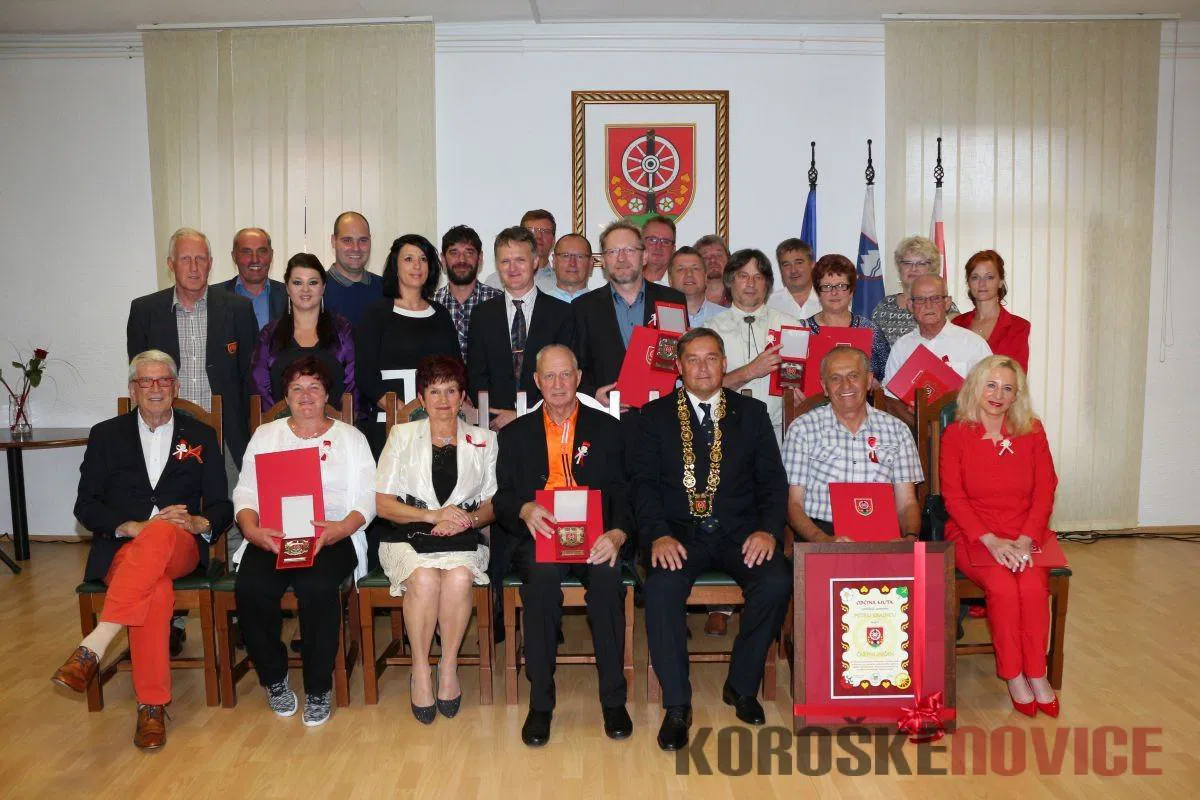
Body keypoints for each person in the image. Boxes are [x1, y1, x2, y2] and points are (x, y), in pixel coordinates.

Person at [52, 350, 231, 750]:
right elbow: (86, 506)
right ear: (133, 389)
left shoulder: (199, 435)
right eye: (146, 382)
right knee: (156, 590)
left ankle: (94, 645)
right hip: (123, 549)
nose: (155, 388)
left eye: (163, 381)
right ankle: (151, 707)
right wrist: (132, 526)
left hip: (180, 547)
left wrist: (198, 523)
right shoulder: (106, 435)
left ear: (175, 387)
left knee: (164, 532)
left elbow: (222, 506)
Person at [635, 328, 791, 751]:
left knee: (776, 582)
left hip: (740, 531)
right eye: (693, 359)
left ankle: (741, 686)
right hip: (678, 533)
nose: (702, 367)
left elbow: (774, 486)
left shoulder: (753, 414)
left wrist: (768, 530)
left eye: (711, 358)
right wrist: (658, 536)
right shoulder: (653, 417)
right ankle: (677, 705)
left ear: (724, 364)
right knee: (663, 587)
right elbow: (643, 488)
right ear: (679, 367)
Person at [493, 344, 634, 746]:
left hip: (596, 537)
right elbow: (500, 498)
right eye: (548, 376)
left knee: (608, 584)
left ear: (578, 377)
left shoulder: (608, 428)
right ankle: (541, 703)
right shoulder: (516, 434)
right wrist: (523, 509)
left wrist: (619, 534)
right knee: (538, 583)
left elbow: (626, 493)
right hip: (542, 535)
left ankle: (613, 699)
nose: (557, 384)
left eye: (565, 374)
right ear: (536, 381)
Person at [232, 357, 375, 728]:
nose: (306, 395)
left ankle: (317, 687)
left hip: (332, 536)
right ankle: (274, 678)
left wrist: (342, 528)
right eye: (297, 388)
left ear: (327, 393)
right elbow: (245, 492)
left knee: (317, 587)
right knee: (251, 586)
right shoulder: (266, 435)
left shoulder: (351, 438)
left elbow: (369, 498)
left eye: (314, 387)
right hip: (274, 536)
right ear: (286, 396)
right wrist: (251, 530)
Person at [375, 356, 498, 724]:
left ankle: (448, 668)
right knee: (425, 580)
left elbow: (493, 502)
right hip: (407, 534)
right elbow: (383, 504)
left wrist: (467, 520)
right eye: (434, 391)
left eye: (450, 390)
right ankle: (421, 670)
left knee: (459, 577)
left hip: (463, 537)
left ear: (463, 397)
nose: (442, 399)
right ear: (422, 397)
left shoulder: (485, 439)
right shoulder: (401, 435)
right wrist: (433, 516)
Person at [940, 355, 1059, 717]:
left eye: (1007, 388)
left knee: (1034, 588)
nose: (998, 394)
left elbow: (1045, 488)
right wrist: (989, 539)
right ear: (976, 387)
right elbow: (953, 496)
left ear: (1016, 396)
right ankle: (1013, 675)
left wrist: (1025, 538)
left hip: (1027, 532)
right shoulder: (957, 434)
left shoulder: (1032, 429)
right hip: (973, 534)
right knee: (1005, 588)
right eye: (991, 385)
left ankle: (1036, 672)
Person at [126, 226, 257, 469]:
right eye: (185, 259)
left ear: (211, 263)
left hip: (226, 436)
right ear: (170, 264)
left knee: (227, 505)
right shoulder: (144, 312)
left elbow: (249, 379)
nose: (194, 267)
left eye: (200, 259)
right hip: (166, 433)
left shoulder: (239, 309)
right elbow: (140, 380)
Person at [783, 346, 922, 541]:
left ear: (868, 381)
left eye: (854, 375)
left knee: (925, 569)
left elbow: (907, 503)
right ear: (824, 386)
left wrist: (909, 538)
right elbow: (793, 504)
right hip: (820, 534)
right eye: (835, 378)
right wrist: (822, 541)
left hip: (883, 535)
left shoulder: (897, 430)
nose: (845, 385)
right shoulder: (802, 429)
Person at [355, 233, 461, 455]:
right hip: (389, 424)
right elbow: (365, 373)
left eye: (423, 259)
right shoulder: (376, 313)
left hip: (439, 424)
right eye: (408, 259)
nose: (417, 266)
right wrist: (404, 413)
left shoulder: (440, 314)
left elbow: (457, 369)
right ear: (395, 265)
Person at [466, 227, 576, 430]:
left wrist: (524, 415)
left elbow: (565, 376)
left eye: (520, 260)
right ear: (497, 265)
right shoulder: (482, 315)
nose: (512, 268)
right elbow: (476, 376)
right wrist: (496, 416)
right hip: (495, 425)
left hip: (547, 423)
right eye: (505, 261)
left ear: (535, 262)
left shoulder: (561, 314)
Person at [573, 220, 686, 403]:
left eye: (630, 250)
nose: (621, 258)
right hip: (606, 416)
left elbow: (678, 358)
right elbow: (575, 366)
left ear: (644, 257)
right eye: (613, 251)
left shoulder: (671, 301)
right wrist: (593, 394)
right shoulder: (583, 308)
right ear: (602, 261)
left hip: (661, 411)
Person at [709, 248, 800, 437]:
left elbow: (801, 383)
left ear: (767, 284)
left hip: (779, 431)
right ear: (729, 281)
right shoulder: (710, 330)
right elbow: (703, 388)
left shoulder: (790, 326)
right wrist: (751, 371)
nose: (751, 283)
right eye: (743, 276)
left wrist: (801, 395)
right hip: (726, 431)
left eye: (758, 277)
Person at [249, 253, 356, 410]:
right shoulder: (269, 335)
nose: (305, 289)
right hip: (280, 429)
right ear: (287, 287)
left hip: (335, 429)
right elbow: (259, 388)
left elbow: (353, 387)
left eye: (313, 282)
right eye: (297, 282)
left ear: (323, 287)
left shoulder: (342, 331)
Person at [883, 273, 992, 401]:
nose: (928, 305)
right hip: (908, 420)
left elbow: (989, 394)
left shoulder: (974, 345)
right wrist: (917, 420)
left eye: (935, 299)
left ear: (947, 303)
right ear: (910, 305)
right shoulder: (901, 347)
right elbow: (890, 399)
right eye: (920, 299)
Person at [802, 254, 891, 385]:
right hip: (811, 404)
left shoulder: (870, 330)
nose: (834, 293)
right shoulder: (802, 330)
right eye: (826, 286)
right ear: (818, 291)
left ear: (851, 290)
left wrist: (878, 386)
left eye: (841, 286)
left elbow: (889, 376)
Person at [870, 235, 960, 346]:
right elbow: (873, 349)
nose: (913, 269)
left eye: (921, 263)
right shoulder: (884, 306)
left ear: (933, 268)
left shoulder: (943, 305)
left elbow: (955, 345)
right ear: (899, 267)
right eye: (907, 263)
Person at [433, 224, 503, 362]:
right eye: (454, 253)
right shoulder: (431, 303)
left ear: (480, 257)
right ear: (443, 259)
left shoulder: (499, 301)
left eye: (469, 252)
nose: (462, 260)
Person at [952, 250, 1031, 373]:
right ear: (968, 283)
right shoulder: (956, 324)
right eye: (975, 277)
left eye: (989, 277)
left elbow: (1017, 379)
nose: (982, 283)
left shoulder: (1019, 327)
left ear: (1000, 282)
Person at [217, 227, 286, 330]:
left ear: (271, 255)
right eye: (246, 252)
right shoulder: (215, 297)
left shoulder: (289, 296)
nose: (255, 259)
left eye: (262, 251)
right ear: (234, 256)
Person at [323, 211, 382, 327]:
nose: (356, 248)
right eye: (347, 240)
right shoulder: (315, 290)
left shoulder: (387, 289)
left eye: (363, 240)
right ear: (333, 241)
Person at [487, 209, 557, 290]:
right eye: (532, 230)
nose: (538, 236)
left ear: (554, 240)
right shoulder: (494, 282)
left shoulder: (561, 284)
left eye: (545, 231)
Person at [667, 246, 725, 327]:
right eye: (681, 269)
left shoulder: (725, 317)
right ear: (670, 280)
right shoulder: (657, 317)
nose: (689, 274)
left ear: (705, 277)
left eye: (695, 268)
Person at [766, 238, 821, 321]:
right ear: (780, 269)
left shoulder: (830, 300)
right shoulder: (769, 304)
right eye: (786, 265)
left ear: (812, 264)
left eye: (799, 263)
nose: (793, 270)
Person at [542, 233, 606, 302]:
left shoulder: (604, 307)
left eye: (580, 256)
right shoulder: (538, 305)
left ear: (591, 263)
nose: (572, 263)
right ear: (554, 261)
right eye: (566, 256)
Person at [695, 234, 731, 306]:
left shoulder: (740, 298)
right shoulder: (687, 300)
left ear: (729, 259)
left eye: (718, 255)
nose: (712, 260)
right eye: (705, 257)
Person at [642, 215, 677, 285]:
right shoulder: (624, 280)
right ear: (640, 244)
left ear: (673, 250)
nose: (658, 246)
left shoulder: (680, 287)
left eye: (666, 242)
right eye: (652, 240)